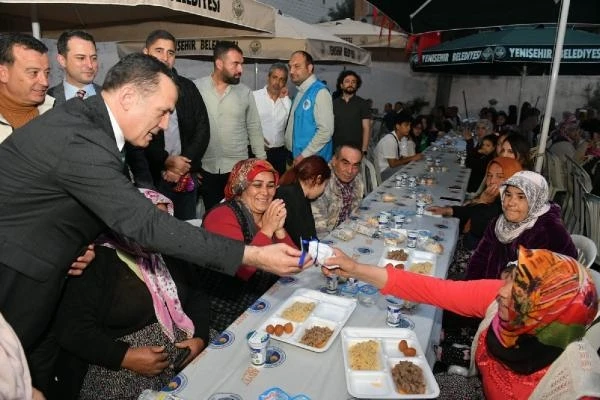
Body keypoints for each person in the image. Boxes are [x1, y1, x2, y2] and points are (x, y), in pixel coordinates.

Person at [0, 53, 305, 390]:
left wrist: (81, 241)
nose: (164, 125)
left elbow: (60, 203)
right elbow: (144, 224)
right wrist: (254, 254)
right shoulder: (83, 136)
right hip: (14, 276)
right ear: (129, 97)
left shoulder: (90, 126)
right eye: (162, 112)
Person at [324, 246, 599, 400]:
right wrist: (355, 269)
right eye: (510, 280)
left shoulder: (576, 385)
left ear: (549, 312)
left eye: (518, 292)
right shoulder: (501, 301)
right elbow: (432, 289)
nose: (503, 291)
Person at [51, 189, 209, 399]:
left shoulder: (172, 252)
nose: (157, 231)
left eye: (162, 221)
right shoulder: (96, 260)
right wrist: (126, 357)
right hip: (122, 368)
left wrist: (199, 338)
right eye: (147, 221)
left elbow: (197, 296)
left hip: (182, 353)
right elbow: (72, 330)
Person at [201, 159, 297, 332]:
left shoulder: (267, 215)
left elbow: (294, 264)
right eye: (257, 185)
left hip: (266, 302)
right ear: (241, 186)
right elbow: (240, 271)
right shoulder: (222, 216)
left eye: (270, 186)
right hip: (229, 315)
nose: (265, 192)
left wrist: (280, 229)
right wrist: (268, 230)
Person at [142, 30, 210, 220]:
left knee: (187, 230)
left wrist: (182, 165)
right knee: (155, 236)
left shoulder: (188, 87)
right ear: (146, 53)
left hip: (185, 176)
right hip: (153, 178)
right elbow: (136, 138)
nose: (165, 57)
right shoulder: (138, 90)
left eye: (170, 53)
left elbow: (203, 128)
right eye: (159, 51)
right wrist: (165, 161)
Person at [465, 171, 577, 280]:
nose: (510, 203)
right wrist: (470, 288)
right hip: (489, 289)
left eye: (521, 197)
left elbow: (567, 271)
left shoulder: (550, 230)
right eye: (508, 195)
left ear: (535, 200)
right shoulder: (499, 224)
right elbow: (479, 259)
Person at [194, 41, 266, 211]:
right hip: (206, 169)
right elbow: (187, 127)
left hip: (237, 170)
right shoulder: (197, 88)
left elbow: (254, 128)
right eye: (235, 64)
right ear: (219, 64)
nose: (240, 69)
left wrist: (262, 163)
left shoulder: (245, 92)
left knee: (237, 215)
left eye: (241, 64)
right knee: (212, 215)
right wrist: (191, 165)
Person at [428, 157, 523, 252]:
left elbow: (478, 228)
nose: (492, 181)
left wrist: (482, 202)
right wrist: (448, 210)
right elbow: (472, 210)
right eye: (489, 175)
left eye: (500, 176)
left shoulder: (512, 206)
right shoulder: (496, 197)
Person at [0, 33, 53, 143]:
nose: (45, 82)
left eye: (47, 73)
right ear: (3, 74)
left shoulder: (58, 112)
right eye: (33, 73)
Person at [284, 51, 334, 165]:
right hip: (296, 159)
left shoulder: (320, 92)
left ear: (310, 68)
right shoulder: (301, 91)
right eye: (290, 67)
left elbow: (326, 131)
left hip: (310, 162)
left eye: (297, 66)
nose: (291, 71)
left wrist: (304, 155)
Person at [275, 155, 331, 247]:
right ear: (318, 179)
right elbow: (303, 240)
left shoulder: (296, 192)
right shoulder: (293, 197)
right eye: (325, 184)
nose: (324, 189)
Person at [311, 144, 364, 235]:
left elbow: (356, 213)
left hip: (347, 232)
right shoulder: (321, 184)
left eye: (355, 165)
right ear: (334, 161)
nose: (350, 171)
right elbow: (320, 231)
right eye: (345, 163)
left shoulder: (357, 180)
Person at [253, 63, 291, 176]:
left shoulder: (286, 101)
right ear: (268, 77)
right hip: (258, 151)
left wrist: (285, 98)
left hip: (280, 153)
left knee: (277, 186)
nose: (277, 83)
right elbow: (244, 124)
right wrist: (256, 140)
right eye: (274, 77)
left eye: (281, 79)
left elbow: (291, 122)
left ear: (285, 83)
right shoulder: (254, 97)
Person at [47, 30, 100, 103]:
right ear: (62, 60)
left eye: (93, 58)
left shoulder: (111, 97)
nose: (90, 65)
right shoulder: (46, 99)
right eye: (81, 58)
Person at [332, 70, 371, 153]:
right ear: (341, 85)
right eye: (347, 81)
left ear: (357, 86)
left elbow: (366, 128)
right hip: (336, 148)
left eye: (353, 82)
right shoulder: (333, 104)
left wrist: (364, 150)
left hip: (356, 149)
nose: (350, 84)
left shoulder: (363, 104)